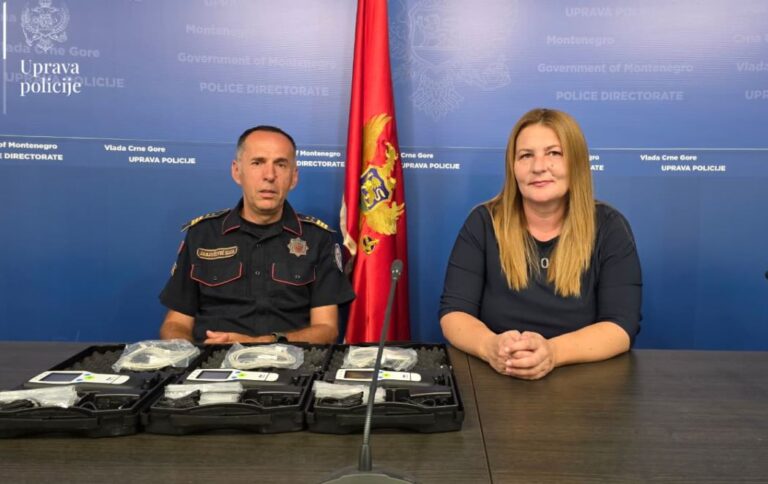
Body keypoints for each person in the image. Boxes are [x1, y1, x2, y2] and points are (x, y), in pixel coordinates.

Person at [439, 108, 641, 380]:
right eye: (526, 155)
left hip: (582, 382)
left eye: (554, 153)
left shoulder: (609, 227)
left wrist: (552, 353)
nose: (538, 167)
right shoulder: (484, 222)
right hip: (497, 374)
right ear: (513, 167)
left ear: (576, 162)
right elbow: (454, 313)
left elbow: (620, 327)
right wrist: (491, 347)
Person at [159, 125, 355, 344]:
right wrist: (190, 353)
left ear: (293, 177)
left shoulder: (317, 239)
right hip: (213, 359)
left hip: (290, 360)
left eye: (281, 164)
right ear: (237, 171)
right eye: (257, 163)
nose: (269, 175)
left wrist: (262, 344)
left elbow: (327, 329)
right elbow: (175, 323)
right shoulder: (202, 235)